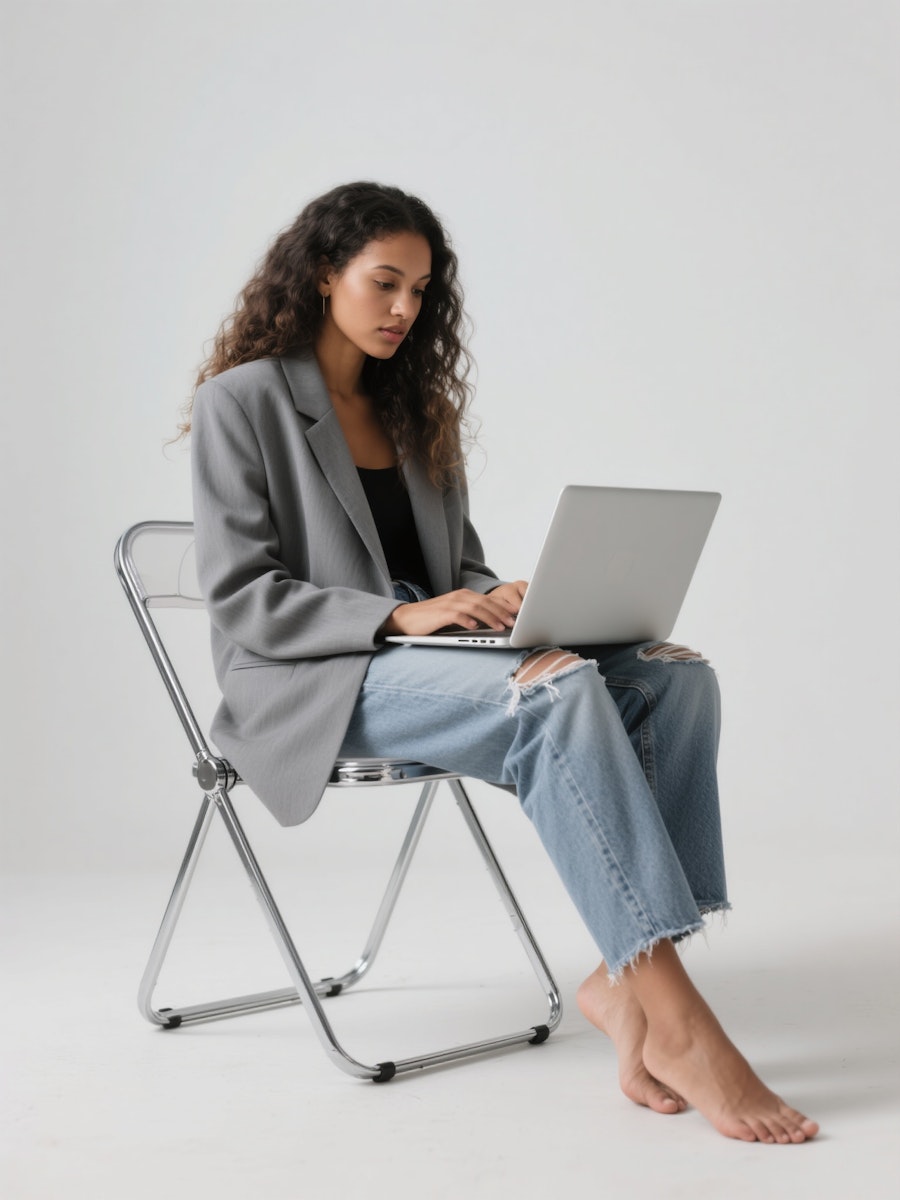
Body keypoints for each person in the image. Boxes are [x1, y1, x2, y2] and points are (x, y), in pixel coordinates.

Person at [185, 181, 818, 1144]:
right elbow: (242, 598)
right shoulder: (243, 401)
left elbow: (452, 565)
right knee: (552, 693)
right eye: (384, 283)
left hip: (432, 661)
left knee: (674, 676)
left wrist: (496, 597)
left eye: (422, 291)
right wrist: (405, 615)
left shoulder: (411, 408)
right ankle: (678, 1019)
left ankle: (623, 981)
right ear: (323, 275)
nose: (406, 310)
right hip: (318, 681)